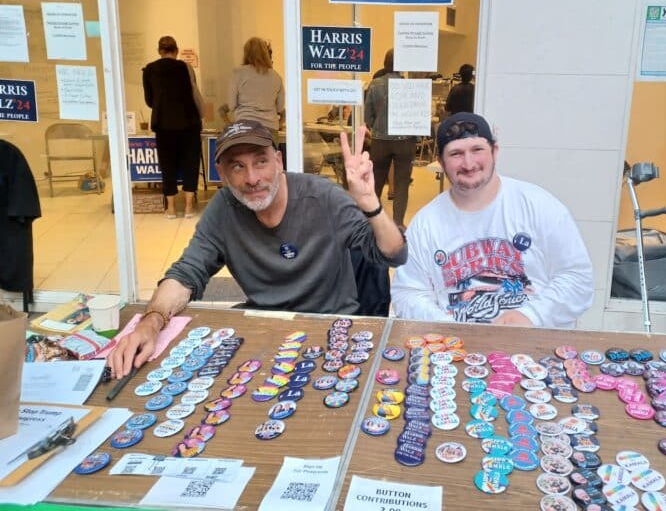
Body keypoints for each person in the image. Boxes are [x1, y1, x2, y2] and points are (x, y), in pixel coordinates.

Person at [108, 119, 406, 377]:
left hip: (330, 330)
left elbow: (395, 253)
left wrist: (370, 204)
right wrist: (151, 321)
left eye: (260, 161)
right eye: (237, 166)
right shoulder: (223, 209)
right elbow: (186, 274)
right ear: (221, 174)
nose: (252, 178)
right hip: (263, 333)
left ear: (278, 161)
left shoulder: (322, 196)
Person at [391, 112, 593, 328]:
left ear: (495, 151)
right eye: (456, 154)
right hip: (457, 348)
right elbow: (408, 292)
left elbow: (577, 278)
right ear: (440, 161)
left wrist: (532, 316)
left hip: (534, 347)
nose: (468, 164)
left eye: (477, 150)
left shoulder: (539, 206)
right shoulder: (425, 224)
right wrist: (447, 327)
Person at [143, 36, 202, 218]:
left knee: (167, 164)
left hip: (163, 123)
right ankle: (188, 207)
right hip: (188, 121)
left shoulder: (149, 70)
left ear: (159, 51)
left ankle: (170, 208)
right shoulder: (185, 67)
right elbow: (194, 93)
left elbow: (149, 100)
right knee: (190, 162)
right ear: (176, 51)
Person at [364, 49, 416, 227]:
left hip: (380, 141)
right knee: (402, 184)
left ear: (385, 63)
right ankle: (399, 223)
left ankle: (373, 221)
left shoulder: (375, 84)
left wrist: (377, 127)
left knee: (376, 183)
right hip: (405, 141)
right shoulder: (410, 86)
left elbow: (367, 117)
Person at [228, 37, 285, 132]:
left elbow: (231, 105)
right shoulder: (276, 76)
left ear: (246, 53)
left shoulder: (238, 73)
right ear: (265, 53)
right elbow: (280, 107)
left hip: (244, 126)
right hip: (269, 127)